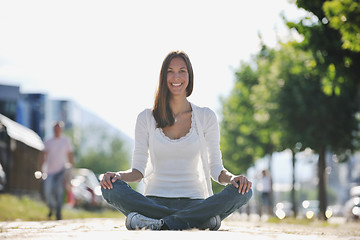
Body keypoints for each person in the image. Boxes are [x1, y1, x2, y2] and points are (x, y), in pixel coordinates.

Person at [100, 51, 252, 230]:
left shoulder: (206, 116)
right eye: (170, 71)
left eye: (182, 71)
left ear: (190, 76)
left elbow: (216, 170)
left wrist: (234, 178)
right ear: (163, 76)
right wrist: (117, 176)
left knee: (245, 191)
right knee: (109, 186)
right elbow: (138, 171)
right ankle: (198, 221)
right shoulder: (146, 118)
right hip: (154, 202)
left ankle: (158, 223)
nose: (176, 77)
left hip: (195, 203)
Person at [41, 121, 74, 220]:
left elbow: (70, 155)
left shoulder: (66, 141)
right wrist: (41, 169)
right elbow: (43, 156)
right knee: (47, 191)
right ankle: (51, 208)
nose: (57, 130)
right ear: (53, 129)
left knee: (59, 191)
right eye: (55, 128)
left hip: (61, 171)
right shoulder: (48, 141)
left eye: (59, 128)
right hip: (49, 171)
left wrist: (71, 170)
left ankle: (58, 212)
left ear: (61, 129)